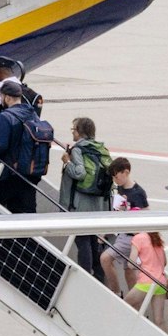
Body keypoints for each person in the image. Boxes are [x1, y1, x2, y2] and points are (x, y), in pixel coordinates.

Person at [59, 117, 112, 279]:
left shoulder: (78, 150)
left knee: (82, 240)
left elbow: (80, 173)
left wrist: (67, 162)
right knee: (94, 241)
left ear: (80, 131)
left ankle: (85, 275)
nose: (72, 132)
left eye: (73, 129)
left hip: (80, 204)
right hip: (98, 204)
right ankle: (99, 276)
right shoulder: (101, 148)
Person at [0, 79, 46, 214]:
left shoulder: (5, 116)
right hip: (30, 171)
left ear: (7, 98)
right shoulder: (33, 114)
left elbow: (1, 146)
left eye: (1, 96)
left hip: (10, 172)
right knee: (25, 212)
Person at [100, 159, 144, 295]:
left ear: (126, 172)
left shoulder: (138, 193)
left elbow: (145, 215)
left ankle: (116, 292)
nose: (115, 180)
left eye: (116, 177)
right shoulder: (120, 189)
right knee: (128, 270)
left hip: (132, 237)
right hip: (124, 234)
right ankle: (131, 300)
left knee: (105, 258)